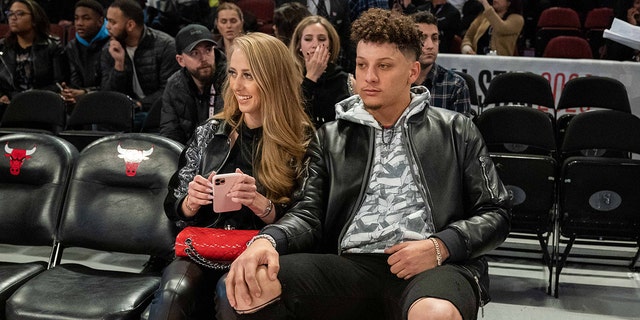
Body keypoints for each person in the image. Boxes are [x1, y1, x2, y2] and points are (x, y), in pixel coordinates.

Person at [224, 7, 510, 320]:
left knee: (435, 314)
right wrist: (267, 240)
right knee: (254, 280)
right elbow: (308, 215)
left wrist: (440, 246)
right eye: (362, 65)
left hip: (433, 265)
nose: (369, 77)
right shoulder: (331, 137)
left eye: (384, 66)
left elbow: (495, 212)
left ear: (412, 72)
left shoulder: (456, 130)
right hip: (351, 265)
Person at [149, 32, 315, 320]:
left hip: (262, 251)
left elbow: (307, 217)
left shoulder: (300, 141)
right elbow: (173, 199)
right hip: (206, 246)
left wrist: (262, 205)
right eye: (234, 73)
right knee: (172, 293)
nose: (237, 85)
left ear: (273, 79)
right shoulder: (211, 131)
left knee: (235, 292)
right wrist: (191, 201)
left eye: (248, 75)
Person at [101, 0, 179, 126]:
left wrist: (140, 104)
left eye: (112, 22)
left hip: (158, 111)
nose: (107, 26)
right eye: (107, 20)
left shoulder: (166, 46)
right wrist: (118, 65)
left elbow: (169, 90)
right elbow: (108, 93)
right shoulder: (109, 49)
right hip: (125, 112)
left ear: (130, 25)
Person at [159, 24, 227, 145]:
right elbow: (170, 134)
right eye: (194, 53)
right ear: (181, 60)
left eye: (208, 50)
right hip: (188, 155)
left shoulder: (230, 80)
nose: (204, 58)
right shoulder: (175, 86)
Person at [290, 15, 352, 127]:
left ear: (330, 45)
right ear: (299, 45)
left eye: (322, 39)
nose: (315, 45)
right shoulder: (287, 77)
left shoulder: (346, 80)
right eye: (308, 39)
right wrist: (311, 77)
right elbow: (290, 117)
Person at [0, 0, 66, 104]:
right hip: (8, 105)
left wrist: (27, 97)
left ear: (35, 19)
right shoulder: (2, 47)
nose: (13, 18)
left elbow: (58, 84)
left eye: (20, 14)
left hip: (41, 103)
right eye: (10, 14)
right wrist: (2, 95)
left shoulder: (52, 47)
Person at [412, 11, 471, 115]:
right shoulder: (396, 82)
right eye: (422, 38)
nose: (430, 45)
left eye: (434, 38)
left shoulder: (456, 85)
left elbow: (462, 131)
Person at [61, 0, 110, 105]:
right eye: (76, 18)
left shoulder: (112, 44)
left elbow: (111, 86)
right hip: (81, 102)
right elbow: (75, 81)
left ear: (100, 21)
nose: (79, 23)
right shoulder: (72, 46)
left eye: (86, 18)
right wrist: (71, 92)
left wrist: (85, 92)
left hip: (106, 101)